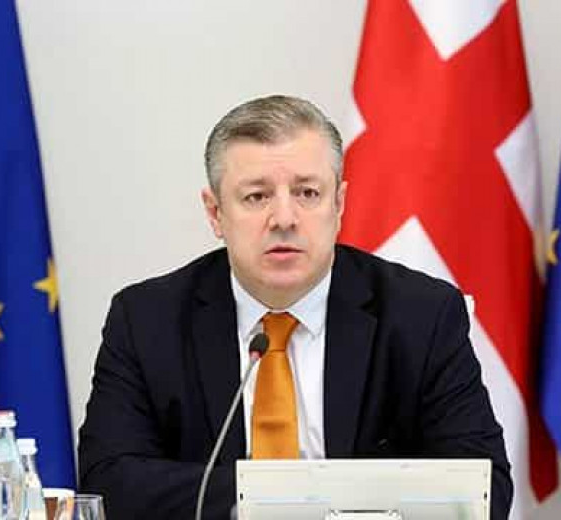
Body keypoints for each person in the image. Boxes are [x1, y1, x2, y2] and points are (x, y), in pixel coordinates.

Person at [78, 95, 512, 519]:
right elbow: (107, 483)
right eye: (256, 197)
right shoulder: (147, 320)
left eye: (307, 193)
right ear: (215, 213)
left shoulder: (421, 315)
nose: (284, 218)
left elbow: (484, 487)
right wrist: (292, 498)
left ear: (338, 204)